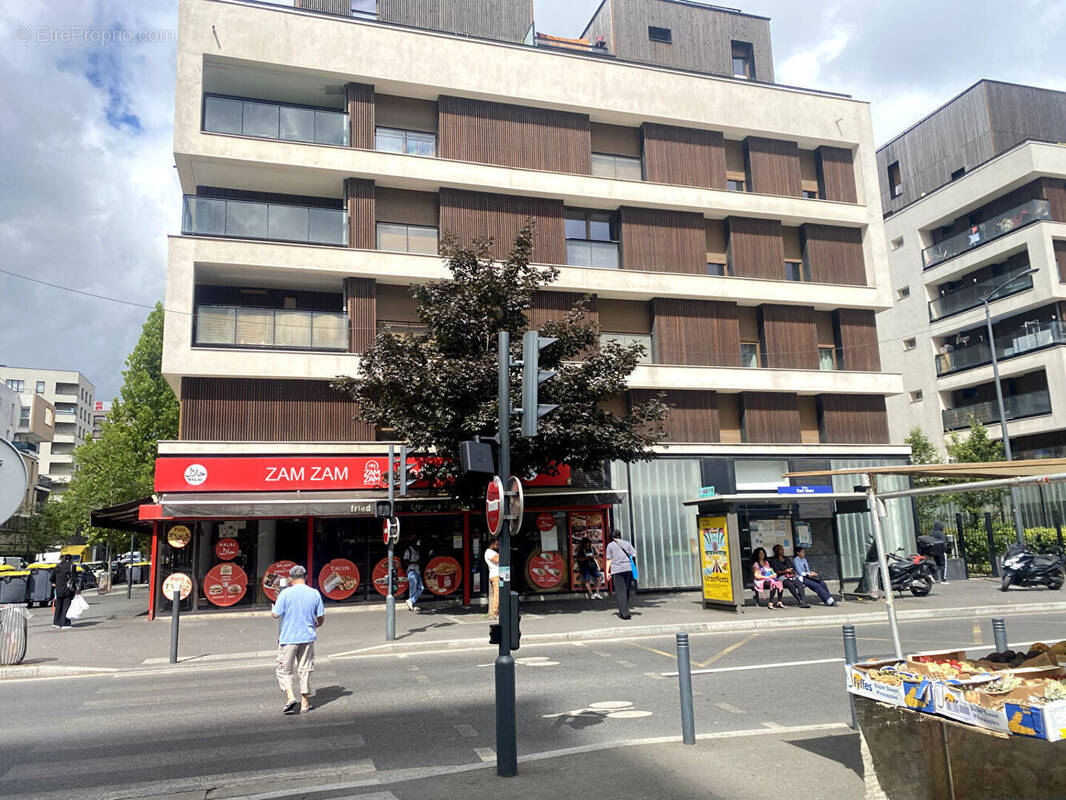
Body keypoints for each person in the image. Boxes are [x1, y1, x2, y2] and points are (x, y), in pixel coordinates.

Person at [271, 564, 324, 715]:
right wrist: (316, 625)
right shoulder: (314, 593)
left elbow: (276, 614)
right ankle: (305, 703)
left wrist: (272, 608)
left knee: (284, 669)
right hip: (307, 637)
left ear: (291, 578)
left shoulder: (285, 594)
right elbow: (320, 617)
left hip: (288, 638)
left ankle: (290, 698)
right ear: (306, 577)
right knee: (305, 669)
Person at [605, 529, 637, 620]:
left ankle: (624, 613)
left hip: (617, 570)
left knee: (620, 591)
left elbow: (609, 559)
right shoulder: (627, 543)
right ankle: (625, 609)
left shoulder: (610, 546)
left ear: (612, 536)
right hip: (627, 569)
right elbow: (634, 554)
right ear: (620, 535)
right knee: (626, 590)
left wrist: (607, 572)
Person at [51, 555, 79, 629]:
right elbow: (74, 578)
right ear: (69, 559)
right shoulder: (71, 566)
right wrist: (77, 587)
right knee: (66, 606)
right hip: (67, 589)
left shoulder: (58, 566)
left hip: (58, 589)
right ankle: (65, 623)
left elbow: (52, 578)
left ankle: (56, 622)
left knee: (59, 606)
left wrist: (56, 583)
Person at [404, 537, 424, 611]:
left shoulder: (417, 551)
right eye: (417, 545)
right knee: (413, 588)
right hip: (411, 571)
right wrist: (415, 562)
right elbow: (405, 562)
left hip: (417, 571)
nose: (418, 546)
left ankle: (411, 601)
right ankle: (412, 604)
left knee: (421, 588)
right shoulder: (408, 551)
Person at [485, 536, 500, 619]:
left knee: (499, 593)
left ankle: (497, 611)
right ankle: (494, 613)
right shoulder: (489, 552)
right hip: (495, 575)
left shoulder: (492, 552)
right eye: (497, 544)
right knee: (497, 594)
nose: (498, 546)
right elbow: (496, 560)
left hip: (496, 574)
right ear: (492, 544)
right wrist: (501, 551)